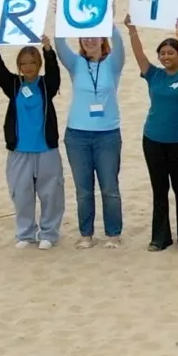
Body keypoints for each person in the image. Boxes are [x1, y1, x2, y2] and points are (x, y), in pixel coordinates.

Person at [124, 19, 178, 250]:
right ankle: (160, 237)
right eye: (163, 53)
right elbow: (140, 56)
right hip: (153, 140)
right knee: (159, 190)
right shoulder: (154, 75)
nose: (166, 57)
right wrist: (132, 31)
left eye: (171, 52)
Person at [0, 40, 66, 248]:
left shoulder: (45, 85)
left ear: (38, 64)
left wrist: (48, 50)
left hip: (46, 149)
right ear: (19, 66)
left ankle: (49, 233)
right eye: (23, 64)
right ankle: (25, 233)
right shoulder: (13, 85)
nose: (28, 67)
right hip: (20, 150)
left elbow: (54, 73)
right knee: (21, 193)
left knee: (51, 193)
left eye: (32, 62)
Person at [60, 31, 126, 246]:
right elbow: (60, 43)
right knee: (84, 190)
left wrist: (109, 19)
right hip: (77, 135)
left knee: (109, 188)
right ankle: (86, 234)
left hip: (107, 135)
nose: (89, 40)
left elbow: (119, 42)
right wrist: (61, 17)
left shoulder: (113, 63)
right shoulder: (76, 63)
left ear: (102, 38)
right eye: (85, 36)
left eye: (95, 36)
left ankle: (113, 234)